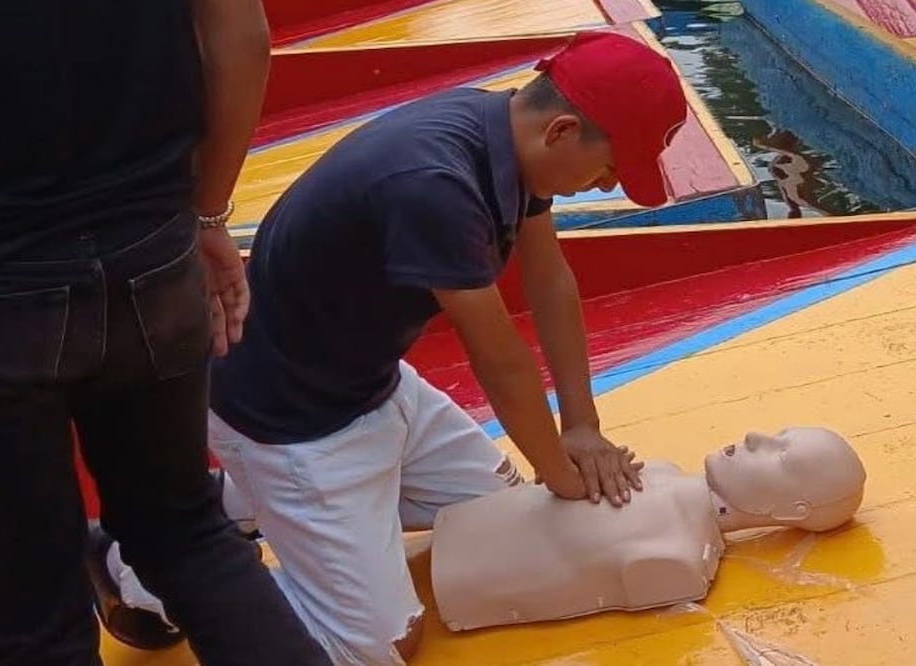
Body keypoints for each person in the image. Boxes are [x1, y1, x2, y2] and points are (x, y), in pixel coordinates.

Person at [94, 29, 690, 666]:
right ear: (563, 132)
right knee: (378, 646)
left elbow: (549, 281)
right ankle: (149, 570)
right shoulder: (435, 183)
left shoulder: (508, 137)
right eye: (608, 169)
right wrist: (561, 474)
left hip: (368, 381)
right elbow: (498, 356)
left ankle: (215, 511)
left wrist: (580, 426)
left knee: (496, 515)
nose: (603, 188)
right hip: (292, 420)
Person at [0, 0, 332, 664]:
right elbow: (243, 37)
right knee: (187, 534)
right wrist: (208, 212)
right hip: (152, 245)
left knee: (29, 614)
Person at [431, 426, 867, 630]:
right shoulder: (662, 473)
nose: (755, 437)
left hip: (448, 585)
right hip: (451, 527)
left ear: (793, 510)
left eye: (782, 457)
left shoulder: (674, 556)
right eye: (778, 433)